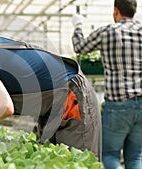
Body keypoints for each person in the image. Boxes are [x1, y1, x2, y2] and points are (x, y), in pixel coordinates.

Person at [71, 0, 142, 168]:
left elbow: (79, 47)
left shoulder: (107, 32)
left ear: (115, 11)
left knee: (110, 155)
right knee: (135, 158)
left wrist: (78, 26)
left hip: (118, 105)